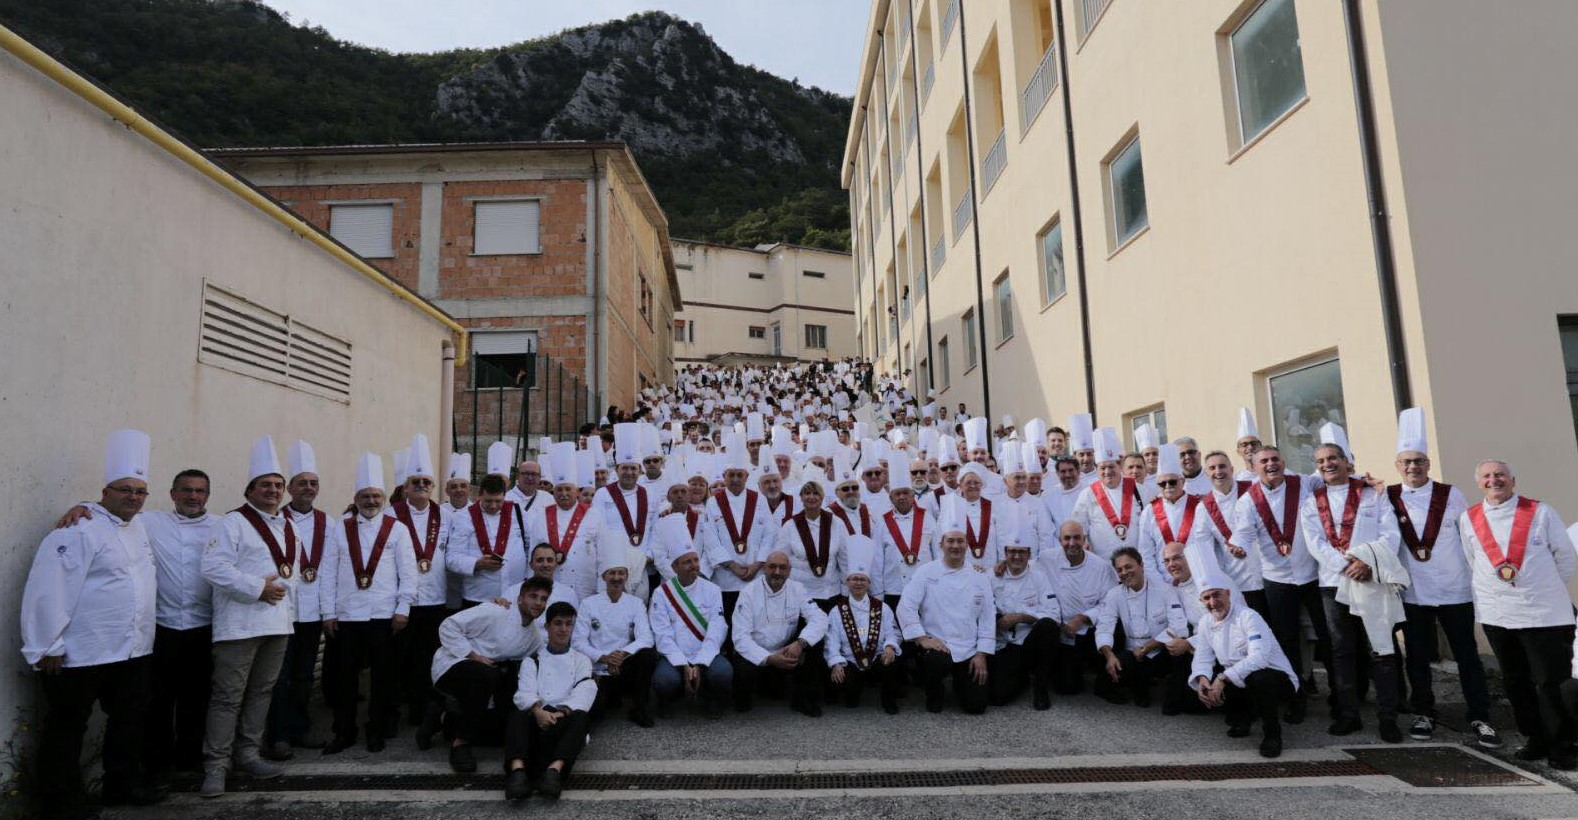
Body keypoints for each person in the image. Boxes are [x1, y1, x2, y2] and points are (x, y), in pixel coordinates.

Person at [22, 430, 163, 818]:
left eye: (140, 492)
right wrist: (46, 644)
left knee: (128, 722)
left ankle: (121, 786)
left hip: (133, 649)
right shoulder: (78, 529)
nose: (133, 498)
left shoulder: (141, 526)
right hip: (81, 651)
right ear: (105, 491)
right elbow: (48, 589)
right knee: (67, 728)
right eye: (125, 490)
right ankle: (58, 801)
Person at [1386, 409, 1497, 747]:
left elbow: (1471, 539)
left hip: (1454, 589)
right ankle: (1424, 712)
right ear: (1397, 466)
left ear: (1428, 463)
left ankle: (1480, 716)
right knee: (1417, 657)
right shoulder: (1386, 497)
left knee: (1467, 657)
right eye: (1406, 462)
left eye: (1418, 461)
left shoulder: (1452, 494)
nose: (1412, 467)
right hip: (1414, 592)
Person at [199, 436, 301, 797]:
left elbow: (293, 577)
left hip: (277, 624)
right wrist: (258, 588)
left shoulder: (290, 527)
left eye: (277, 485)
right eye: (265, 485)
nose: (272, 491)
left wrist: (287, 608)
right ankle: (215, 765)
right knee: (227, 696)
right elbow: (212, 567)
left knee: (262, 693)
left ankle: (248, 753)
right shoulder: (233, 524)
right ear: (250, 489)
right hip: (239, 626)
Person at [1461, 459, 1577, 768]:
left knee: (1550, 681)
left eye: (1500, 475)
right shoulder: (1469, 518)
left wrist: (1542, 587)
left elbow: (1564, 556)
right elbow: (1473, 560)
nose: (1493, 480)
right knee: (1515, 680)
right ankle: (1535, 737)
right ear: (1479, 483)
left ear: (1513, 480)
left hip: (1543, 613)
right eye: (1486, 476)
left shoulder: (1541, 511)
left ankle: (1562, 745)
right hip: (1498, 613)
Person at [1299, 441, 1404, 742]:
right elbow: (1315, 543)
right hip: (1333, 583)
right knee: (1341, 650)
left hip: (1371, 578)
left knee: (1380, 647)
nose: (1327, 464)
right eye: (1321, 461)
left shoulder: (1372, 494)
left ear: (1347, 461)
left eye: (1333, 458)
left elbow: (1390, 532)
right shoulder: (1311, 502)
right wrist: (1346, 566)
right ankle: (1349, 714)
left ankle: (1388, 717)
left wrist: (1368, 563)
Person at [320, 453, 417, 754]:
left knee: (383, 679)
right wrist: (328, 612)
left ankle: (376, 730)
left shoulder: (397, 529)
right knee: (344, 679)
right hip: (348, 615)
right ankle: (343, 731)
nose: (371, 500)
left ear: (384, 498)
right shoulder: (341, 527)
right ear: (356, 498)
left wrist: (403, 609)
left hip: (384, 614)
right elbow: (328, 572)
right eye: (365, 495)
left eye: (376, 495)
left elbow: (409, 572)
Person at [1232, 445, 1327, 725]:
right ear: (1255, 467)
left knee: (1328, 636)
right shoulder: (1248, 500)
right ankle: (1295, 698)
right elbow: (1244, 532)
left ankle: (1343, 699)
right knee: (1286, 641)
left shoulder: (1304, 484)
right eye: (1264, 461)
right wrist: (1238, 546)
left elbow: (1336, 485)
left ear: (1283, 462)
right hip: (1277, 579)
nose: (1271, 464)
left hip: (1312, 574)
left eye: (1275, 459)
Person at [141, 469, 219, 779]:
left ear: (207, 497)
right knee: (158, 700)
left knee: (197, 698)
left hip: (205, 626)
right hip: (163, 626)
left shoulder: (221, 527)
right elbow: (112, 511)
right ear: (172, 494)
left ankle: (190, 759)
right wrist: (83, 506)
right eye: (186, 490)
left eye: (200, 491)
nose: (193, 496)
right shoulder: (150, 522)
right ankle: (158, 763)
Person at [430, 576, 550, 773]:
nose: (538, 603)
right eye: (533, 596)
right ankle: (460, 744)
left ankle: (445, 719)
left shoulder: (533, 637)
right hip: (452, 665)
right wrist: (473, 655)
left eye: (543, 599)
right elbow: (448, 626)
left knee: (500, 734)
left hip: (487, 680)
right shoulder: (495, 611)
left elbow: (546, 659)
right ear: (520, 598)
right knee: (486, 675)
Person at [1190, 572, 1299, 759]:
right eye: (1207, 598)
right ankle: (1247, 714)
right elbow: (1202, 657)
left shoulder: (1248, 616)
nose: (1213, 602)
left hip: (1276, 678)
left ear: (1228, 593)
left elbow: (1259, 658)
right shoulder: (1205, 622)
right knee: (1207, 692)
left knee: (1259, 679)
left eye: (1216, 595)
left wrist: (1222, 679)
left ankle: (1272, 734)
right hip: (1238, 678)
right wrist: (1202, 680)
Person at [386, 437, 452, 740]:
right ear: (406, 486)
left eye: (427, 481)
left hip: (435, 599)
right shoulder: (391, 515)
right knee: (398, 658)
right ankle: (394, 711)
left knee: (428, 658)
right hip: (402, 601)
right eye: (416, 481)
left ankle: (422, 709)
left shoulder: (446, 515)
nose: (422, 485)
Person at [897, 512, 995, 714]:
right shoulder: (926, 572)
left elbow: (987, 617)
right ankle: (934, 689)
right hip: (937, 646)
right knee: (935, 661)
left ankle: (961, 683)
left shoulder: (980, 577)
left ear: (967, 545)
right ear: (941, 544)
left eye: (960, 541)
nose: (955, 546)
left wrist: (981, 653)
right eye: (950, 541)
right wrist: (923, 639)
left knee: (976, 707)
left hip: (968, 648)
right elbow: (906, 605)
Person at [266, 442, 328, 759]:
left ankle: (300, 728)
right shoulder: (275, 519)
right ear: (290, 487)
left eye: (313, 483)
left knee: (304, 675)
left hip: (312, 612)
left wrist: (329, 612)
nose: (308, 488)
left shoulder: (328, 522)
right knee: (279, 676)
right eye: (302, 482)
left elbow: (331, 567)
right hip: (281, 611)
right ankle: (278, 735)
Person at [505, 602, 598, 801]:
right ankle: (518, 773)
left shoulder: (581, 660)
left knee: (581, 717)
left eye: (567, 624)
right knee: (516, 715)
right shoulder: (533, 659)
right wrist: (538, 712)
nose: (563, 629)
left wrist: (562, 712)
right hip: (536, 721)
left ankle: (553, 772)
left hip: (562, 721)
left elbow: (585, 690)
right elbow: (524, 692)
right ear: (546, 627)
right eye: (557, 623)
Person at [649, 514, 732, 718]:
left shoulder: (712, 589)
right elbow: (662, 635)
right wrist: (683, 664)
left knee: (723, 672)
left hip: (706, 652)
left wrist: (701, 662)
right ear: (674, 567)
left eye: (695, 560)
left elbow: (717, 628)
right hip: (674, 655)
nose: (694, 565)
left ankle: (711, 697)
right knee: (664, 680)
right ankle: (668, 700)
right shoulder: (662, 593)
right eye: (687, 562)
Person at [730, 550, 830, 716]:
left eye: (782, 568)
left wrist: (800, 643)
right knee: (743, 673)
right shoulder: (748, 593)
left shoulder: (797, 589)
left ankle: (803, 700)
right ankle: (745, 697)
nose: (777, 572)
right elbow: (741, 638)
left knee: (815, 641)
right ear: (764, 569)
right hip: (757, 654)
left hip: (786, 651)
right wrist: (768, 658)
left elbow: (820, 618)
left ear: (789, 571)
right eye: (772, 567)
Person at [573, 544, 657, 728]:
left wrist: (621, 654)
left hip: (624, 665)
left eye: (621, 573)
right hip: (599, 668)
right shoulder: (588, 604)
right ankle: (610, 697)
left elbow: (646, 639)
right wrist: (603, 658)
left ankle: (639, 708)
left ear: (627, 576)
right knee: (596, 713)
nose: (617, 578)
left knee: (648, 655)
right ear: (603, 576)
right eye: (612, 573)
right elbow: (578, 642)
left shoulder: (636, 604)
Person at [1096, 548, 1188, 708]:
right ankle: (1125, 688)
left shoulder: (1165, 590)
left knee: (1180, 650)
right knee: (1119, 664)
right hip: (1132, 654)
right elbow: (1104, 627)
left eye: (1128, 566)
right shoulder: (1114, 594)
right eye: (1120, 570)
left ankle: (1174, 700)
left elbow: (1179, 627)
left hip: (1160, 650)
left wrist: (1148, 647)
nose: (1124, 572)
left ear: (1141, 565)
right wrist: (1109, 655)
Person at [825, 539, 902, 714]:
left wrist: (890, 645)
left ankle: (888, 700)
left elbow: (894, 632)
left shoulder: (882, 608)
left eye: (862, 579)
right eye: (854, 579)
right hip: (850, 660)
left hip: (877, 657)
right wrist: (836, 663)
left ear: (868, 583)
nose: (858, 583)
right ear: (847, 582)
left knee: (892, 662)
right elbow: (831, 642)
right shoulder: (837, 611)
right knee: (850, 700)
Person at [1043, 520, 1118, 696]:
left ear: (1084, 539)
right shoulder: (1046, 559)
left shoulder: (1101, 566)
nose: (1071, 543)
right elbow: (1023, 566)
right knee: (1067, 688)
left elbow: (1109, 603)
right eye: (1066, 538)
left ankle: (1104, 679)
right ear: (1059, 540)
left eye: (1077, 538)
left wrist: (1083, 618)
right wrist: (1000, 567)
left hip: (1090, 630)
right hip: (1061, 633)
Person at [1187, 451, 1265, 617]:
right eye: (1212, 468)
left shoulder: (1254, 490)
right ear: (1206, 473)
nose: (1218, 471)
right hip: (1238, 582)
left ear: (1231, 469)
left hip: (1269, 573)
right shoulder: (1203, 508)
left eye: (1222, 466)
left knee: (1283, 631)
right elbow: (1203, 548)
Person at [704, 442, 775, 622]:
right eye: (731, 475)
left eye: (739, 475)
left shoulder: (759, 499)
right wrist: (732, 565)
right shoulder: (713, 502)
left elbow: (769, 535)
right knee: (727, 620)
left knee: (754, 620)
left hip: (755, 575)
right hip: (725, 577)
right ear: (724, 476)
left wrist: (757, 565)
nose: (735, 479)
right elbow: (710, 539)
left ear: (747, 476)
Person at [990, 537, 1060, 710]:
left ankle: (1041, 688)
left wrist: (1021, 617)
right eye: (1012, 551)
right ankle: (1021, 678)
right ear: (1005, 553)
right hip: (1004, 646)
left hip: (1030, 643)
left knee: (1048, 627)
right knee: (998, 697)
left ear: (1029, 554)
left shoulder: (1039, 576)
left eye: (1021, 551)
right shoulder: (991, 576)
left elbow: (1054, 615)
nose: (1016, 556)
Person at [449, 474, 528, 606]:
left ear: (505, 496)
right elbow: (451, 557)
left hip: (513, 593)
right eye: (488, 501)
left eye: (498, 501)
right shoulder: (463, 517)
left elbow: (530, 546)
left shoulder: (518, 512)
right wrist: (476, 563)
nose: (493, 505)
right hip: (478, 595)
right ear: (479, 495)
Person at [1071, 429, 1142, 559]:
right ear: (1097, 469)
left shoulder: (1139, 489)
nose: (1107, 472)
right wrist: (1084, 541)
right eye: (1103, 468)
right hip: (1103, 562)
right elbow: (1078, 525)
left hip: (1137, 561)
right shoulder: (1087, 494)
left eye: (1111, 466)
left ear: (1119, 465)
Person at [779, 481, 849, 607]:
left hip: (831, 593)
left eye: (816, 493)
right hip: (800, 594)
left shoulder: (837, 523)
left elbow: (845, 560)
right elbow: (782, 559)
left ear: (822, 497)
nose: (811, 497)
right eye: (807, 493)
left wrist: (846, 593)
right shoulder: (790, 526)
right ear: (801, 497)